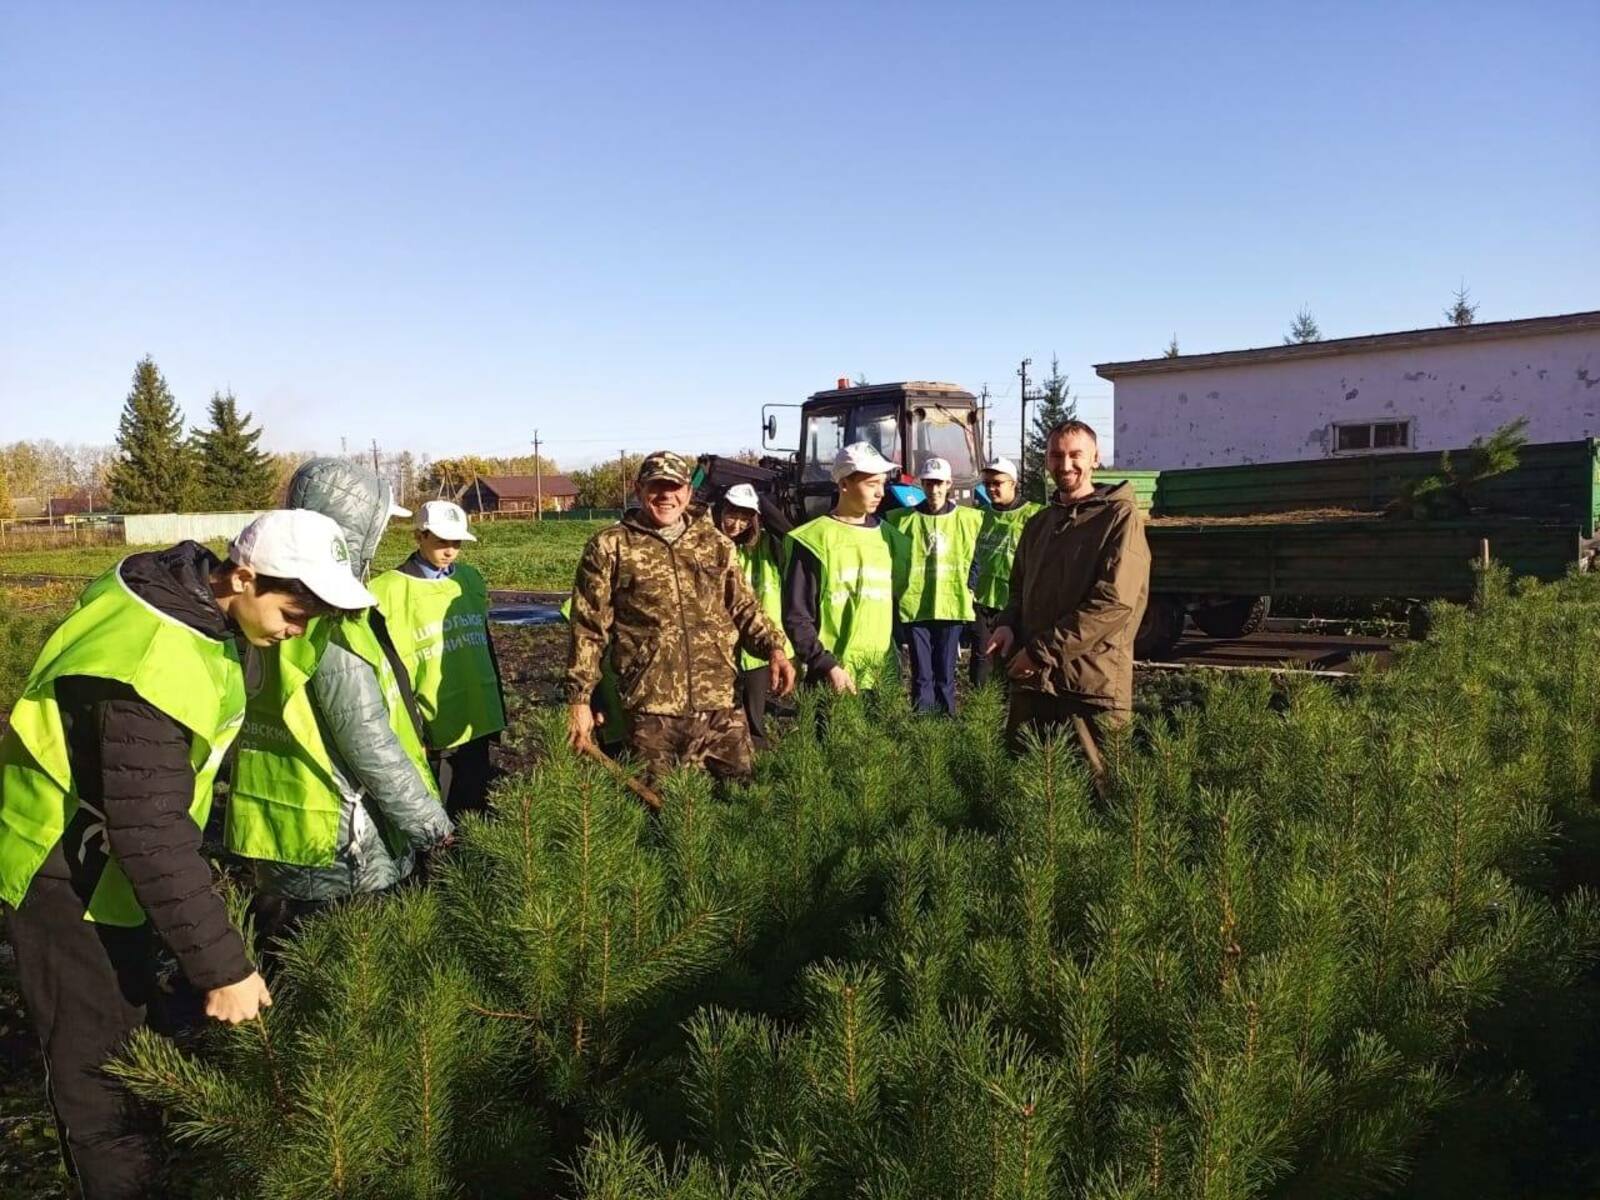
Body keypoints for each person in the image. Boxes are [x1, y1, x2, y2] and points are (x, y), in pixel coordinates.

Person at [0, 510, 369, 1200]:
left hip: (105, 850)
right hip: (61, 870)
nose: (300, 629)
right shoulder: (153, 659)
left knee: (133, 1025)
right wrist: (224, 968)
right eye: (295, 610)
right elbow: (149, 831)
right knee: (97, 1068)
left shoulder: (179, 596)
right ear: (244, 575)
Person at [229, 460, 453, 935]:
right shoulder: (332, 624)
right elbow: (368, 741)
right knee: (351, 976)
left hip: (278, 826)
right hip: (342, 845)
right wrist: (436, 831)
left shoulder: (268, 609)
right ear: (353, 530)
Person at [565, 451, 797, 782]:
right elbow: (588, 628)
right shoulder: (610, 546)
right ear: (639, 489)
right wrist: (580, 699)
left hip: (720, 704)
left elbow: (744, 606)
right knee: (659, 813)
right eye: (656, 486)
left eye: (674, 487)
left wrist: (774, 648)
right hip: (651, 708)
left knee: (742, 801)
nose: (666, 495)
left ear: (688, 492)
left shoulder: (714, 543)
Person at [984, 420, 1150, 753]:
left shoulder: (1118, 519)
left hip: (1089, 689)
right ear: (1046, 461)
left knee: (1095, 795)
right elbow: (1018, 589)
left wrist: (1040, 652)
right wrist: (1007, 624)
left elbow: (1112, 604)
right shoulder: (1039, 524)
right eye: (1056, 455)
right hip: (1034, 686)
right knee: (1027, 790)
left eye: (1076, 455)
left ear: (1095, 458)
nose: (1065, 464)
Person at [369, 500, 507, 817]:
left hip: (477, 717)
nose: (450, 551)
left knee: (474, 807)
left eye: (456, 543)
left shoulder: (469, 580)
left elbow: (483, 645)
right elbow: (390, 668)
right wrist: (413, 730)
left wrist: (497, 703)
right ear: (419, 536)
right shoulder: (387, 590)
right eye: (442, 541)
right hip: (433, 725)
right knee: (439, 812)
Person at [784, 442, 912, 694]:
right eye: (871, 484)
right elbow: (797, 616)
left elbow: (898, 602)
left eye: (882, 483)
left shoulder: (891, 538)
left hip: (880, 678)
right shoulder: (814, 540)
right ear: (844, 484)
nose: (881, 493)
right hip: (832, 678)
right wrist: (825, 664)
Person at [884, 456, 984, 715]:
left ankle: (946, 722)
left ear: (949, 484)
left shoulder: (968, 519)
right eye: (928, 483)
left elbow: (977, 557)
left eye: (939, 483)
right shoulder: (902, 520)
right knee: (921, 674)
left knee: (945, 672)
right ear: (921, 485)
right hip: (916, 605)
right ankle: (924, 726)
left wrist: (971, 584)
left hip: (951, 604)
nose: (934, 489)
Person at [715, 483, 793, 748]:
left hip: (760, 646)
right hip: (721, 645)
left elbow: (791, 535)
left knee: (754, 715)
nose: (736, 524)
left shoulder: (768, 547)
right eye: (732, 514)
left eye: (745, 517)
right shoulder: (711, 548)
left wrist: (758, 496)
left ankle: (755, 765)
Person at [968, 457, 1043, 687]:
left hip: (1016, 603)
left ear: (1014, 483)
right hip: (983, 601)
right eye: (988, 483)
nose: (991, 489)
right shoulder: (979, 515)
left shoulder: (1034, 515)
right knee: (981, 659)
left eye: (997, 483)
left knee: (1010, 659)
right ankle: (981, 708)